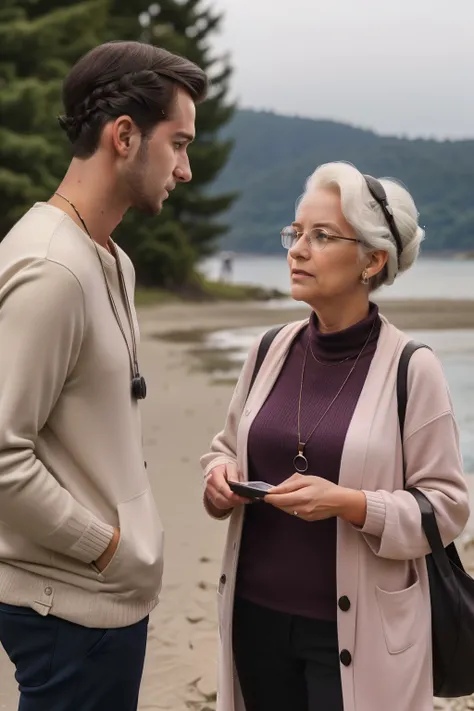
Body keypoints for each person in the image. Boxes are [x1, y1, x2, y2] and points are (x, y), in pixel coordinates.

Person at [201, 161, 470, 711]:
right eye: (295, 233)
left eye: (321, 236)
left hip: (360, 634)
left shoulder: (413, 368)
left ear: (373, 260)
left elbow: (446, 507)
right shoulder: (268, 350)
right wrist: (218, 478)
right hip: (253, 620)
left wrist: (350, 504)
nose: (297, 249)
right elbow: (226, 447)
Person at [0, 41, 207, 711]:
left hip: (106, 597)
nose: (186, 169)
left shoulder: (108, 259)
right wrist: (107, 548)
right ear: (124, 136)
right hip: (71, 609)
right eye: (177, 144)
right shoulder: (52, 270)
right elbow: (3, 454)